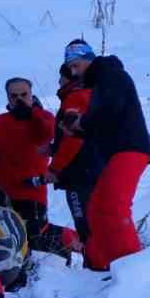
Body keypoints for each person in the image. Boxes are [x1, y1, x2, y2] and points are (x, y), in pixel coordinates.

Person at [60, 41, 150, 273]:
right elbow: (103, 122)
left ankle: (135, 269)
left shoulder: (111, 74)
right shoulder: (100, 84)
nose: (73, 72)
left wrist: (82, 122)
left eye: (76, 65)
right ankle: (111, 267)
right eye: (70, 68)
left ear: (89, 59)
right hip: (115, 151)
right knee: (96, 210)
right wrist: (77, 129)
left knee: (113, 207)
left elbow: (112, 108)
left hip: (129, 148)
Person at [0, 78, 78, 258]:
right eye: (14, 95)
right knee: (5, 240)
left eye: (24, 94)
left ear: (31, 95)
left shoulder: (44, 117)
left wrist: (32, 113)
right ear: (8, 98)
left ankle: (77, 243)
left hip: (30, 191)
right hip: (1, 192)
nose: (19, 99)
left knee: (36, 237)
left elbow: (48, 133)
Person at [48, 58, 100, 249]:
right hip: (90, 169)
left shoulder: (76, 98)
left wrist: (54, 168)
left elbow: (74, 140)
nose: (59, 83)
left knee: (85, 223)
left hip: (80, 174)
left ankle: (95, 265)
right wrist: (54, 148)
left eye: (61, 78)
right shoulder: (90, 95)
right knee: (95, 220)